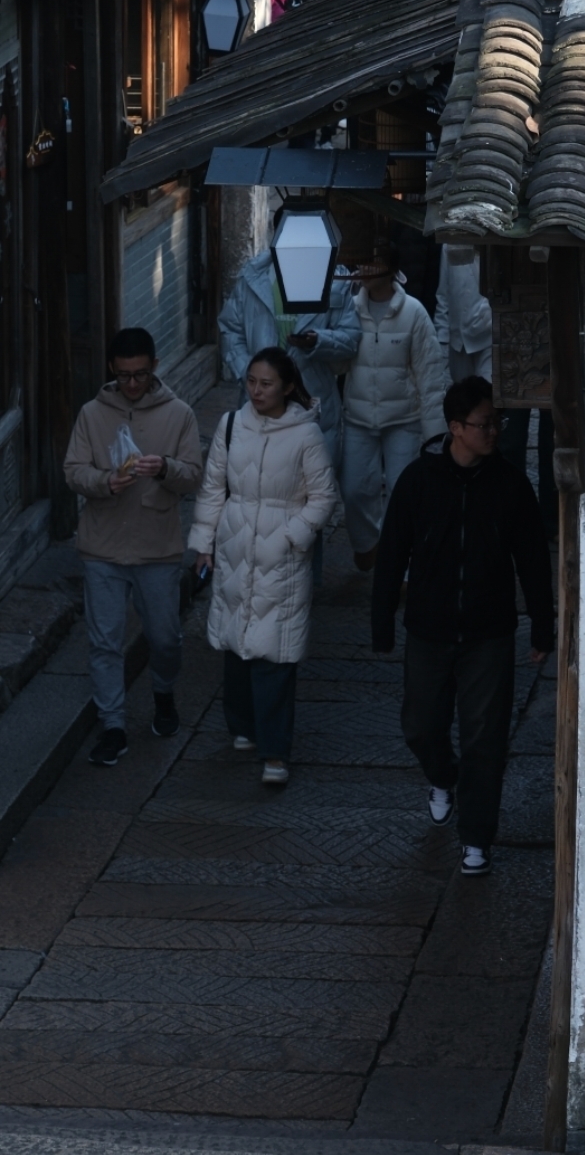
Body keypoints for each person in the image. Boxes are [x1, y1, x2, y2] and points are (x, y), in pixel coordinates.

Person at [372, 375, 554, 876]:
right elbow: (392, 554)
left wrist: (543, 625)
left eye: (497, 422)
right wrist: (382, 620)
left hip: (488, 632)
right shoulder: (419, 481)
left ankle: (476, 837)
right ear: (455, 428)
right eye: (483, 423)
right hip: (428, 629)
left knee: (485, 739)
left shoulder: (510, 485)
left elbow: (533, 560)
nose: (494, 431)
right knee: (420, 725)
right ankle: (442, 777)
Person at [188, 346, 338, 788]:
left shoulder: (306, 436)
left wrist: (293, 536)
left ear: (288, 387)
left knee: (275, 651)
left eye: (266, 383)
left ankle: (275, 750)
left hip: (281, 555)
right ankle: (242, 727)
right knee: (236, 644)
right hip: (236, 547)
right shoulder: (231, 425)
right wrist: (203, 544)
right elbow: (214, 486)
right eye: (251, 381)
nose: (256, 390)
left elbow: (323, 497)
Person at [63, 327, 204, 766]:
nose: (132, 384)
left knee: (164, 637)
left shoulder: (178, 413)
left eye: (141, 374)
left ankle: (163, 693)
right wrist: (105, 482)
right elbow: (73, 470)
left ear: (155, 368)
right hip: (102, 546)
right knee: (104, 641)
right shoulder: (92, 413)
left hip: (156, 546)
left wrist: (163, 467)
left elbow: (194, 475)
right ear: (112, 371)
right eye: (124, 376)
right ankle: (113, 726)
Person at [342, 246, 447, 573]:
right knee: (354, 489)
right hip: (358, 418)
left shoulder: (413, 312)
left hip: (404, 418)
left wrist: (435, 437)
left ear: (391, 267)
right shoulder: (348, 309)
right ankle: (367, 543)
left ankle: (400, 565)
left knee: (404, 495)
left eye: (374, 261)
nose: (366, 268)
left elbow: (430, 375)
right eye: (363, 261)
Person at [219, 244, 359, 485]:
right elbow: (230, 329)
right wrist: (248, 374)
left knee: (310, 487)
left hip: (313, 402)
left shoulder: (334, 282)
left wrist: (320, 340)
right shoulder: (253, 278)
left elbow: (351, 337)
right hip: (259, 408)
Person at [434, 244, 492, 384]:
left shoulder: (492, 247)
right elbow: (444, 295)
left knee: (485, 393)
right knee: (462, 397)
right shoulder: (449, 244)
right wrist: (442, 338)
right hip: (457, 341)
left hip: (487, 337)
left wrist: (485, 316)